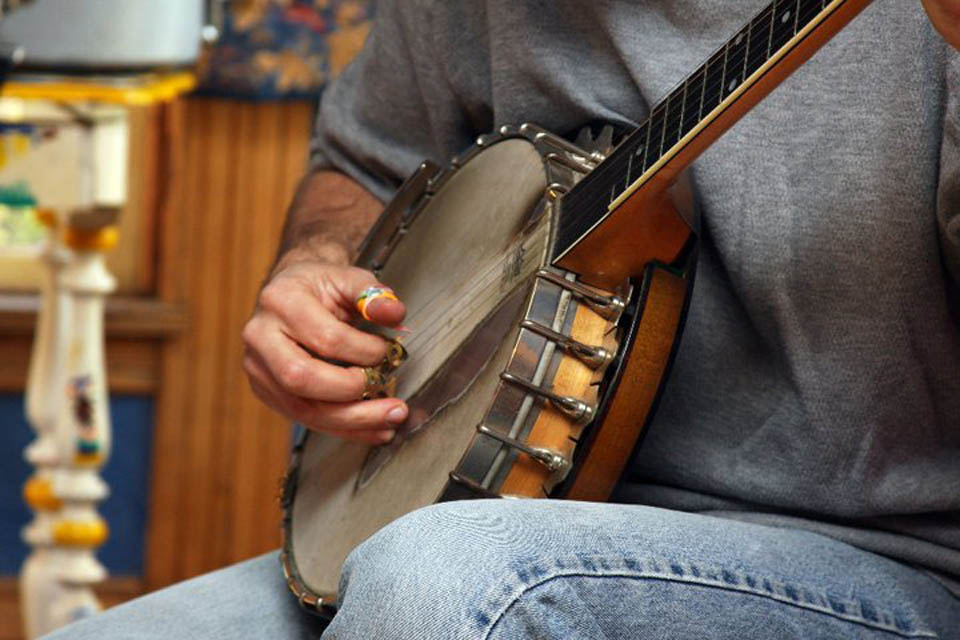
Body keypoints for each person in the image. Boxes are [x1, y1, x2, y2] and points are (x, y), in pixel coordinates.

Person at [49, 0, 960, 638]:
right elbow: (364, 159)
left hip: (881, 561)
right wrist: (315, 262)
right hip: (478, 512)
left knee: (444, 579)